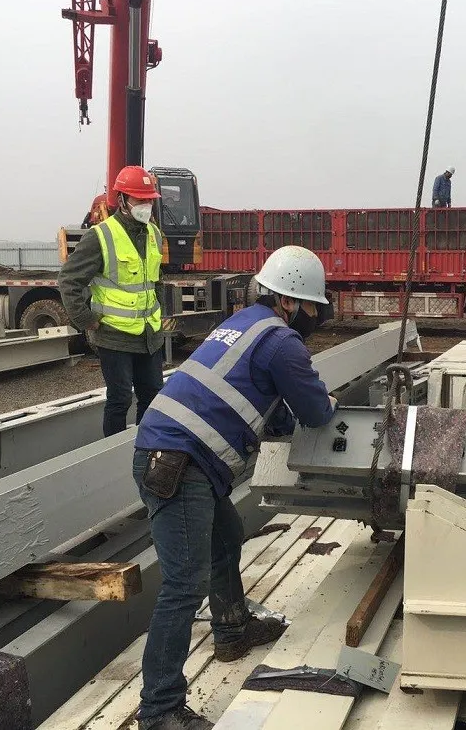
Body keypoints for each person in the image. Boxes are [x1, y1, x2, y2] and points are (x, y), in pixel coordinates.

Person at [131, 245, 338, 729]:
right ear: (289, 301)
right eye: (312, 306)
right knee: (183, 586)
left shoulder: (245, 324)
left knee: (225, 539)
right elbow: (314, 412)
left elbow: (261, 403)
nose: (315, 316)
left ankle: (231, 630)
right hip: (180, 464)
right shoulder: (283, 342)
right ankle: (159, 710)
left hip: (173, 454)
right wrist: (328, 402)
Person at [59, 165, 165, 437]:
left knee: (153, 395)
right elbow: (69, 280)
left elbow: (155, 279)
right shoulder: (101, 236)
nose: (146, 205)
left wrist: (160, 311)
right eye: (140, 200)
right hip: (114, 335)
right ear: (122, 200)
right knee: (120, 399)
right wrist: (85, 320)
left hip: (149, 334)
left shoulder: (154, 233)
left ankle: (145, 449)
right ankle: (114, 452)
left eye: (150, 200)